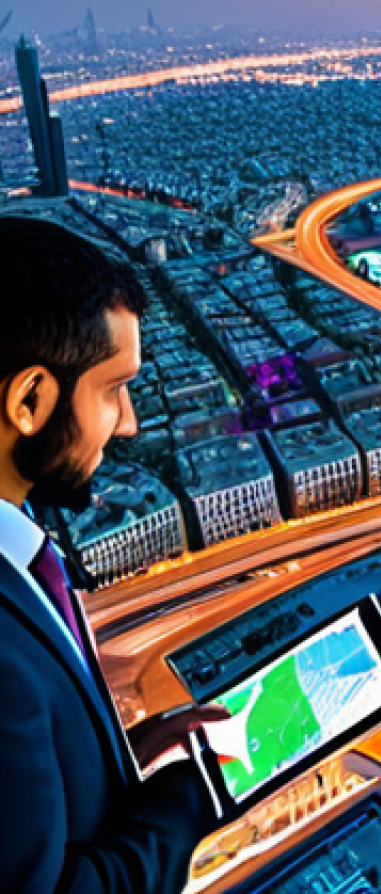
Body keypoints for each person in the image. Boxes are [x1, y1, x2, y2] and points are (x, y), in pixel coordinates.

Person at [0, 217, 227, 894]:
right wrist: (186, 801)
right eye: (112, 388)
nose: (128, 422)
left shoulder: (20, 548)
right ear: (30, 400)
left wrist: (120, 755)